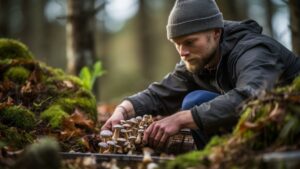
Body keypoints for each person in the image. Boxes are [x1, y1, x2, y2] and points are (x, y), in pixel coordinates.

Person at [101, 0, 300, 150]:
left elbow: (252, 97)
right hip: (264, 130)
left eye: (189, 42)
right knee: (195, 101)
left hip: (291, 131)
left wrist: (181, 119)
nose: (182, 52)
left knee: (194, 103)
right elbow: (161, 93)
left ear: (216, 33)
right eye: (177, 44)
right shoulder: (199, 58)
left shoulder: (253, 51)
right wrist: (123, 110)